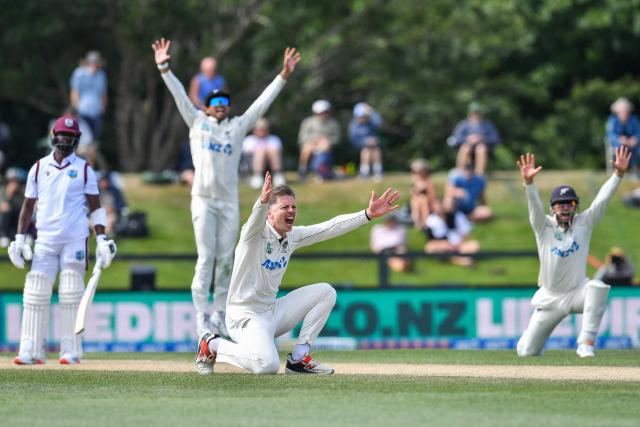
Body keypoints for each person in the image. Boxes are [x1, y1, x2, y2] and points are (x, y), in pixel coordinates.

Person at [152, 38, 301, 338]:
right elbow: (180, 95)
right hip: (204, 200)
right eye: (214, 103)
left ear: (228, 107)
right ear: (206, 107)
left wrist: (283, 75)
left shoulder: (238, 127)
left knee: (226, 258)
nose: (220, 106)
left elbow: (262, 103)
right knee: (206, 256)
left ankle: (219, 313)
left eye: (224, 103)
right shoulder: (197, 123)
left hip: (229, 201)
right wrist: (164, 68)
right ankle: (200, 316)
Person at [194, 171, 400, 375]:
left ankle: (299, 358)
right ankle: (212, 344)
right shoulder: (254, 234)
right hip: (244, 315)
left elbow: (330, 227)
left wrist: (367, 215)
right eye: (284, 207)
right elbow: (255, 220)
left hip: (271, 311)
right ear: (269, 213)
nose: (291, 210)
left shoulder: (292, 236)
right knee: (267, 365)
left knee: (326, 292)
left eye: (293, 207)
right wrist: (262, 202)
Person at [9, 115, 116, 365]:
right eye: (62, 136)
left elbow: (96, 207)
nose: (65, 140)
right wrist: (19, 238)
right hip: (45, 239)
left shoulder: (84, 169)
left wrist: (101, 238)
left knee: (70, 291)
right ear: (53, 137)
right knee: (35, 291)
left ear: (77, 140)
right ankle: (31, 350)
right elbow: (27, 206)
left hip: (75, 239)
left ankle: (71, 349)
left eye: (70, 137)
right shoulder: (38, 168)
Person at [516, 147, 631, 358]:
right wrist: (528, 183)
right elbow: (533, 206)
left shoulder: (584, 223)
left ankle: (586, 344)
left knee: (597, 286)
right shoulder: (544, 227)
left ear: (575, 206)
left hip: (577, 292)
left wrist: (618, 175)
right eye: (560, 204)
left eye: (569, 203)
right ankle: (529, 341)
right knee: (526, 352)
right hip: (550, 298)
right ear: (552, 208)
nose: (565, 208)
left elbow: (602, 200)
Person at [448, 102, 500, 175]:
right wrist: (468, 139)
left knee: (481, 149)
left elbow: (495, 138)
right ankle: (461, 172)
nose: (476, 115)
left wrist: (483, 139)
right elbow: (455, 138)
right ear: (469, 114)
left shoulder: (488, 125)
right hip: (467, 146)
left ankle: (479, 173)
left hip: (483, 147)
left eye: (478, 113)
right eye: (474, 113)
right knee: (466, 148)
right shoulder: (463, 125)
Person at [69, 51, 108, 142]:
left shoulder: (101, 75)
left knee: (95, 139)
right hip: (82, 111)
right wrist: (76, 108)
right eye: (93, 62)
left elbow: (103, 93)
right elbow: (75, 92)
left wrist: (103, 107)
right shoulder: (79, 73)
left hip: (97, 112)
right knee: (83, 137)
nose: (95, 65)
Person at [297, 100, 341, 180]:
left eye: (325, 112)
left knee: (325, 146)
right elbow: (302, 137)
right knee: (306, 148)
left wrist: (327, 141)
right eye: (320, 112)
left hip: (325, 147)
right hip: (310, 145)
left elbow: (336, 138)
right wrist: (314, 141)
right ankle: (303, 170)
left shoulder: (333, 123)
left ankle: (322, 171)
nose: (323, 114)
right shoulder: (308, 122)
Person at [242, 118, 286, 189]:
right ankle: (257, 176)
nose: (262, 131)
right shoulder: (249, 140)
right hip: (252, 165)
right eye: (260, 129)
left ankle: (278, 176)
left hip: (269, 166)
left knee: (272, 151)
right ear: (254, 130)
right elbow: (246, 156)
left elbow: (279, 153)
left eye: (264, 129)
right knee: (261, 152)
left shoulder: (274, 139)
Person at [348, 102, 383, 180]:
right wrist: (365, 142)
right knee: (366, 151)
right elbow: (353, 140)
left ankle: (378, 172)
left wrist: (371, 111)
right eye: (360, 116)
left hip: (372, 146)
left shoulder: (370, 123)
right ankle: (364, 173)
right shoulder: (353, 126)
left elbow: (379, 122)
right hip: (360, 147)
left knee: (376, 150)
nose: (362, 118)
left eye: (364, 116)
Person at [605, 97, 639, 177]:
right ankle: (617, 171)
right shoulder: (612, 121)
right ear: (618, 112)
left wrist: (635, 139)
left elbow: (638, 132)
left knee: (634, 149)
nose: (625, 113)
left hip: (632, 145)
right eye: (622, 111)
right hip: (618, 145)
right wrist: (619, 139)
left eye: (626, 111)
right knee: (620, 149)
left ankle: (634, 171)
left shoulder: (634, 120)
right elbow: (610, 134)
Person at [409, 158, 440, 229]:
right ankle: (417, 221)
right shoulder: (415, 180)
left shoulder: (429, 182)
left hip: (428, 201)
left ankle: (424, 221)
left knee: (423, 200)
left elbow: (432, 196)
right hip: (416, 201)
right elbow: (412, 193)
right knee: (418, 201)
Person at [0, 167, 27, 247]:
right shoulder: (3, 190)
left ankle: (22, 236)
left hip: (18, 217)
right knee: (6, 211)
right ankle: (3, 236)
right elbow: (2, 206)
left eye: (17, 181)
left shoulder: (23, 191)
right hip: (5, 218)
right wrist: (9, 193)